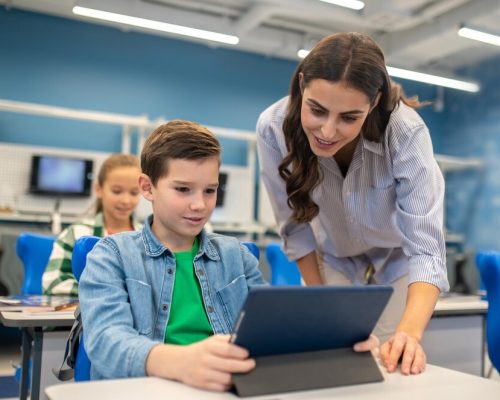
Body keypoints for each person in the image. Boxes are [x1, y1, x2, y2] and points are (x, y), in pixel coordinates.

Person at [256, 32, 449, 376]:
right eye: (316, 110)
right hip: (332, 256)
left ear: (374, 103)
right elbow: (294, 229)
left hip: (399, 259)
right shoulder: (273, 128)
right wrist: (323, 309)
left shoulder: (405, 133)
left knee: (393, 363)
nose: (328, 131)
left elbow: (426, 250)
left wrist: (409, 334)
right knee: (332, 358)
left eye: (349, 117)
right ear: (302, 85)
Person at [78, 120, 267, 392]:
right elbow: (107, 342)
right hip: (143, 390)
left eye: (210, 191)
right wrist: (181, 362)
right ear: (147, 187)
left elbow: (268, 331)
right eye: (182, 189)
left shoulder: (237, 256)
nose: (199, 204)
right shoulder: (111, 255)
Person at [42, 154, 142, 295]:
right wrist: (108, 292)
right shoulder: (76, 234)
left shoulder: (149, 238)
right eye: (117, 191)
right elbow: (53, 283)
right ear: (98, 189)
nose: (126, 200)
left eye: (134, 192)